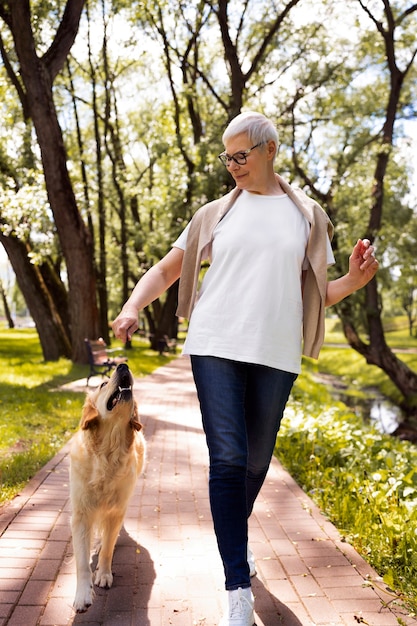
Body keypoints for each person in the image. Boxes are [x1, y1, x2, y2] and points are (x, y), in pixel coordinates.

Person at [112, 112, 379, 626]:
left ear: (270, 150)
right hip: (216, 342)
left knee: (256, 464)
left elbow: (317, 294)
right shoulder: (216, 213)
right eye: (226, 156)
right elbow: (170, 267)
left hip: (276, 350)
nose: (231, 165)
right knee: (229, 459)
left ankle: (236, 540)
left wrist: (351, 280)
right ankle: (237, 584)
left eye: (240, 155)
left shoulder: (308, 216)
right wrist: (133, 305)